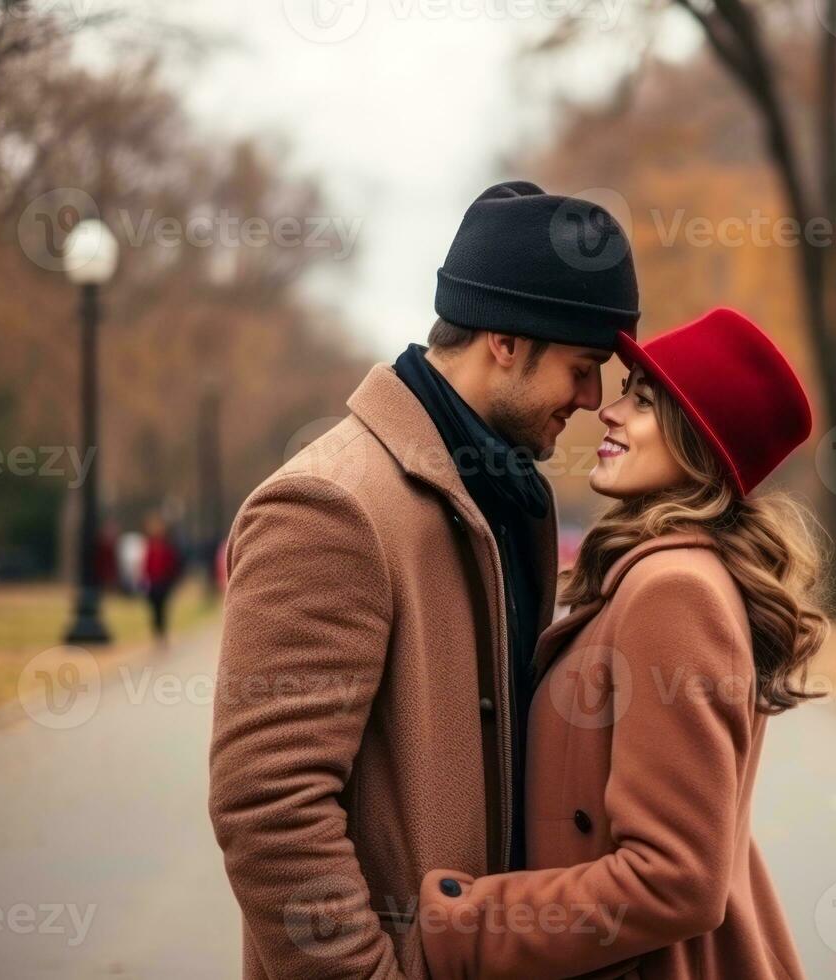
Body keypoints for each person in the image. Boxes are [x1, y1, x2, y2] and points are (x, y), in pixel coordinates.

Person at [207, 180, 640, 979]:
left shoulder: (510, 496)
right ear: (505, 342)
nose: (591, 399)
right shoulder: (330, 506)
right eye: (582, 368)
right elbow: (267, 806)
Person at [417, 307, 830, 979]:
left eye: (641, 400)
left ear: (698, 439)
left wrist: (469, 925)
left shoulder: (674, 592)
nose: (608, 412)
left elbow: (674, 878)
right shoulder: (657, 574)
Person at [141, 513, 182, 645]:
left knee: (162, 608)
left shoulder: (166, 546)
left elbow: (172, 564)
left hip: (164, 582)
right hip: (152, 583)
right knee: (154, 609)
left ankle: (162, 633)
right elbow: (146, 564)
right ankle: (157, 633)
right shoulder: (150, 546)